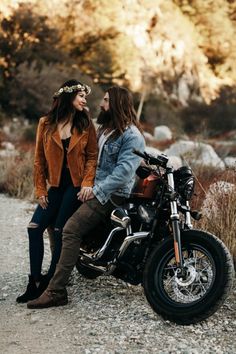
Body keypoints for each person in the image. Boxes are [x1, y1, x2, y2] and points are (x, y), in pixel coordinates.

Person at [27, 85, 146, 309]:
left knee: (70, 229)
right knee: (53, 222)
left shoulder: (132, 136)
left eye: (106, 100)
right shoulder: (105, 129)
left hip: (109, 195)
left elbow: (122, 174)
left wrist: (94, 190)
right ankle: (60, 272)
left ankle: (56, 290)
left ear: (118, 104)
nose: (101, 104)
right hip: (88, 187)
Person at [16, 79, 98, 303]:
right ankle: (34, 282)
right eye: (81, 95)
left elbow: (92, 157)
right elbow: (38, 160)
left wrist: (87, 182)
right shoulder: (46, 123)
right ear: (68, 97)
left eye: (85, 96)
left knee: (61, 230)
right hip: (54, 186)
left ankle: (51, 283)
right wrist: (40, 189)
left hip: (75, 186)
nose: (84, 100)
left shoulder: (85, 124)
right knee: (34, 228)